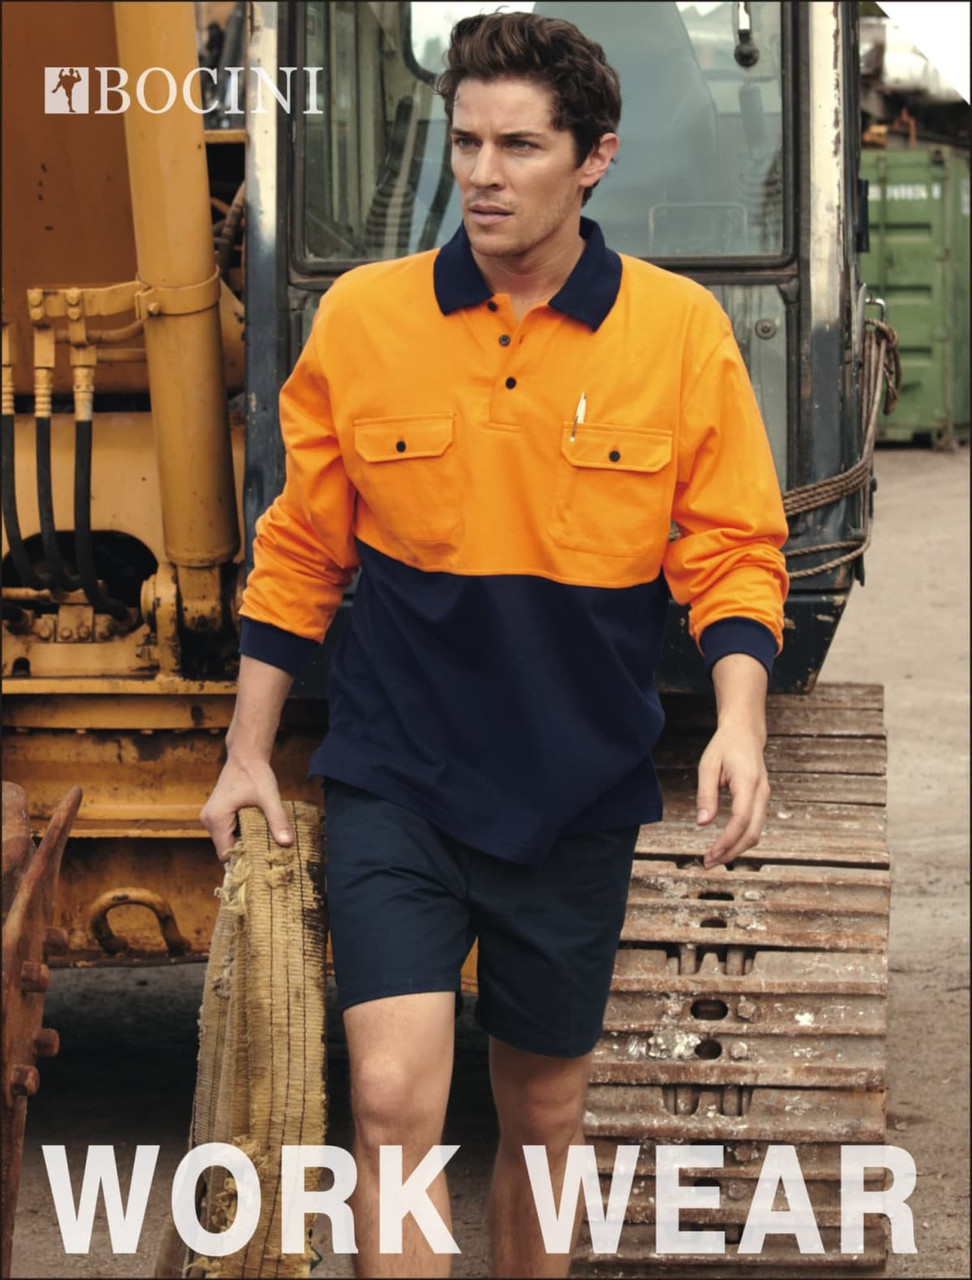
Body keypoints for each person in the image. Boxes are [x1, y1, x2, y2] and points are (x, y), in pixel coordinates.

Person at [200, 11, 788, 1278]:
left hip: (574, 788)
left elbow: (732, 548)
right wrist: (251, 747)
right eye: (465, 140)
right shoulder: (365, 319)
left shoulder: (680, 335)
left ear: (594, 158)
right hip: (397, 774)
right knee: (393, 1097)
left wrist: (738, 721)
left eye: (518, 145)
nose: (479, 171)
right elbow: (300, 550)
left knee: (543, 1115)